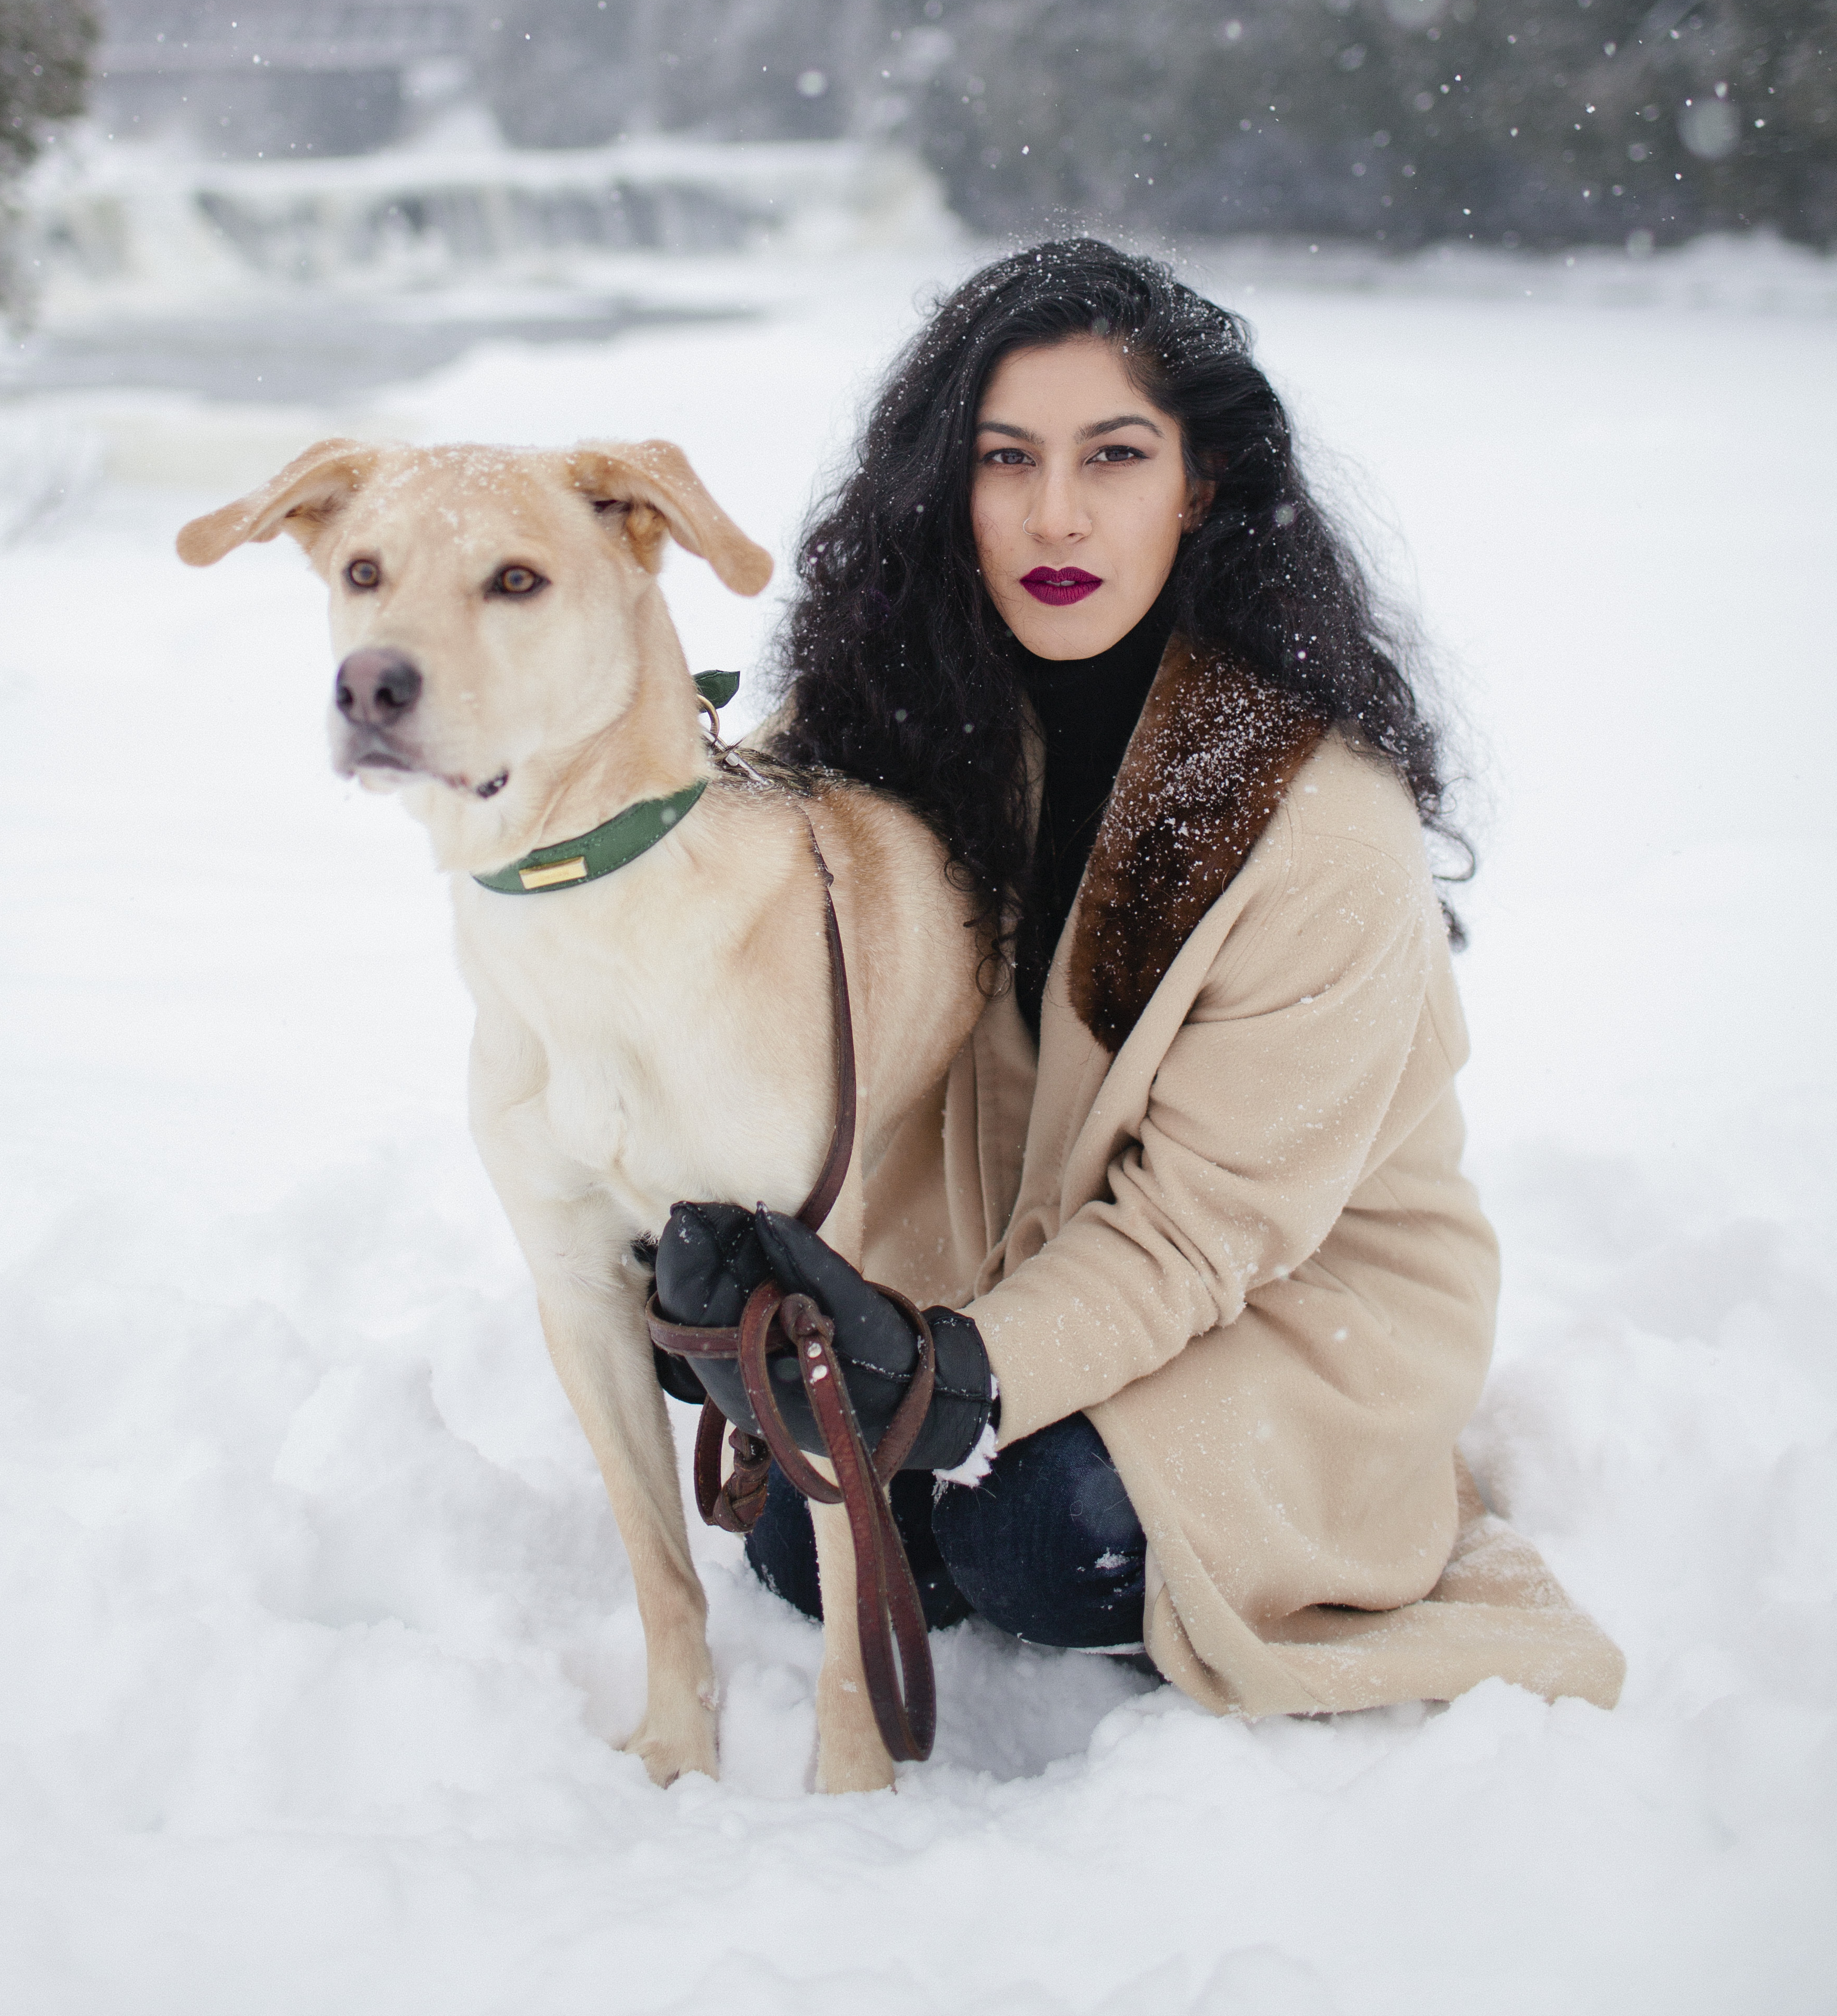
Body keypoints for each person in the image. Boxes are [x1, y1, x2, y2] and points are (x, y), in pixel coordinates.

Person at [655, 240, 1622, 1717]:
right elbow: (727, 981)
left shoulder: (1315, 814)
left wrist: (953, 1382)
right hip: (984, 1281)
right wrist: (690, 1268)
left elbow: (1203, 1231)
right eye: (1005, 460)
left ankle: (1308, 1492)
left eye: (1115, 456)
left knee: (1041, 1542)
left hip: (1286, 1304)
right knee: (807, 1545)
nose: (1057, 515)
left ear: (1205, 481)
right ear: (946, 490)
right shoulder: (882, 730)